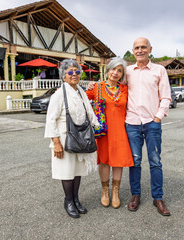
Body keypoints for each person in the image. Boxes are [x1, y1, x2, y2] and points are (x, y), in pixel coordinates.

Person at [44, 59, 100, 218]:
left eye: (77, 71)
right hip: (63, 138)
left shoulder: (80, 92)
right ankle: (68, 201)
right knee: (66, 171)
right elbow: (50, 120)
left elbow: (89, 113)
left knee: (77, 171)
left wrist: (98, 127)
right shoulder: (59, 94)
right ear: (64, 76)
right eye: (70, 72)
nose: (74, 74)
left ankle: (76, 199)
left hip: (80, 136)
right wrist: (56, 143)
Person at [125, 37, 171, 216]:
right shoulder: (127, 71)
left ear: (150, 49)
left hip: (152, 122)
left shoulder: (159, 70)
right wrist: (92, 86)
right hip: (132, 123)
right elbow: (113, 85)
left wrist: (158, 118)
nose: (140, 50)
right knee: (135, 161)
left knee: (155, 161)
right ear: (133, 50)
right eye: (137, 47)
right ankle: (135, 195)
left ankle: (158, 197)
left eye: (143, 47)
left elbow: (166, 96)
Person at [85, 57, 134, 209]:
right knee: (105, 161)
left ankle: (115, 192)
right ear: (107, 70)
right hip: (104, 132)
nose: (115, 73)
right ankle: (105, 191)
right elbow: (81, 100)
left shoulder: (125, 89)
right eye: (113, 69)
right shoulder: (97, 87)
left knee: (118, 161)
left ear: (122, 74)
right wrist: (87, 86)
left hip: (121, 131)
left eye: (119, 71)